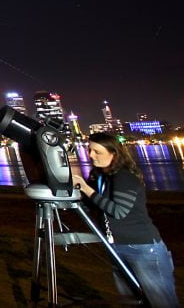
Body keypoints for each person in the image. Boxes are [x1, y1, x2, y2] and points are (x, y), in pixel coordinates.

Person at [73, 132, 179, 308]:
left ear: (113, 153)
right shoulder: (101, 177)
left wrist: (86, 189)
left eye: (97, 151)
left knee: (162, 303)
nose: (91, 155)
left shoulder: (124, 177)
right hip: (116, 247)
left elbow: (119, 211)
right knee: (133, 301)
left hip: (143, 249)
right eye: (90, 150)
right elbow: (97, 206)